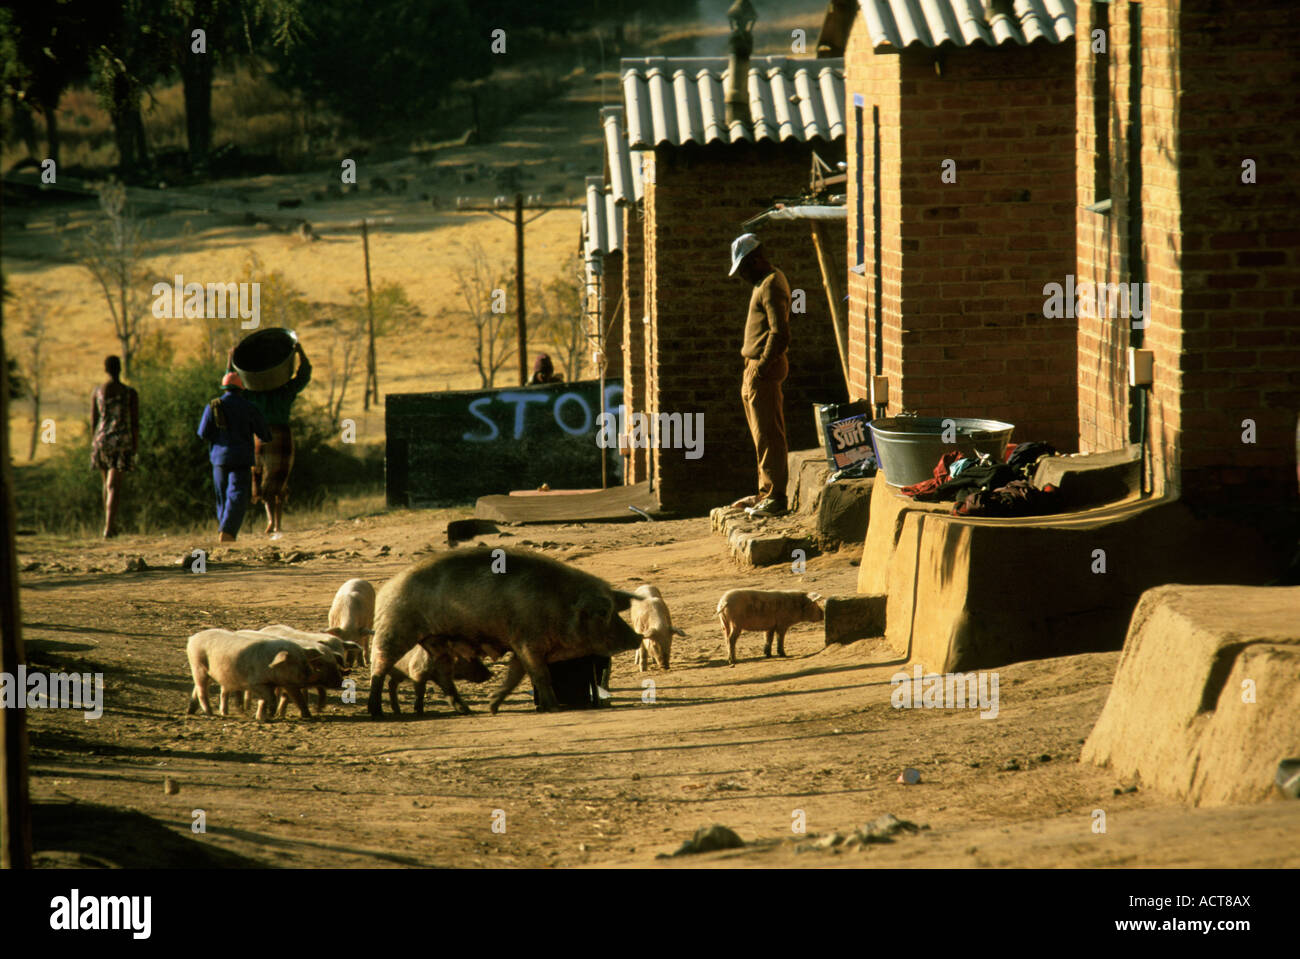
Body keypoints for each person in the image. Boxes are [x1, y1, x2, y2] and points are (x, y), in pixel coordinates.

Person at [729, 233, 791, 518]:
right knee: (760, 434)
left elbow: (779, 333)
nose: (741, 275)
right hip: (753, 368)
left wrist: (763, 366)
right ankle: (765, 491)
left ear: (755, 259)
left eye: (742, 268)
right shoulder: (763, 282)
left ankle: (776, 496)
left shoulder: (770, 284)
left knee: (769, 434)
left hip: (762, 369)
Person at [237, 341, 311, 535]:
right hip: (280, 436)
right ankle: (275, 523)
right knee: (278, 479)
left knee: (264, 478)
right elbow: (304, 374)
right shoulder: (284, 392)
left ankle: (272, 522)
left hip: (261, 437)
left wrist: (231, 360)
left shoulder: (253, 395)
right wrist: (300, 353)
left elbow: (234, 381)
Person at [198, 371, 271, 543]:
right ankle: (228, 532)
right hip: (241, 458)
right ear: (241, 389)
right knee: (237, 494)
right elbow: (265, 434)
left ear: (224, 388)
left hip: (218, 459)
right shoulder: (249, 407)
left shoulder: (213, 406)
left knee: (222, 497)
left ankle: (224, 530)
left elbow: (202, 433)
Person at [90, 355, 139, 538]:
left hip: (101, 440)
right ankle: (110, 527)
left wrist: (94, 444)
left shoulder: (97, 392)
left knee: (106, 484)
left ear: (106, 369)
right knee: (114, 486)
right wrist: (135, 446)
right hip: (121, 440)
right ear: (120, 369)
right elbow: (135, 423)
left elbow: (93, 421)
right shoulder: (130, 393)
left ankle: (109, 523)